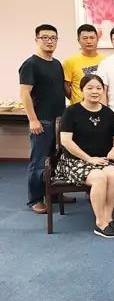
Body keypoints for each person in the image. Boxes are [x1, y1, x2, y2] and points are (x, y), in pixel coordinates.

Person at [55, 74, 114, 238]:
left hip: (101, 159)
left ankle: (108, 216)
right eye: (90, 88)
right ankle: (100, 223)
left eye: (98, 88)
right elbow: (66, 141)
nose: (95, 91)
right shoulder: (72, 111)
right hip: (74, 161)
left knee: (113, 174)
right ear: (82, 90)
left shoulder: (107, 112)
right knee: (99, 177)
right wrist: (88, 158)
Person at [18, 24, 66, 214]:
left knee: (56, 159)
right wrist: (33, 119)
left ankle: (53, 193)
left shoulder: (57, 64)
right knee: (39, 162)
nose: (49, 41)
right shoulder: (30, 64)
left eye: (53, 38)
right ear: (36, 40)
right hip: (42, 121)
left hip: (59, 120)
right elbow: (24, 93)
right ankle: (35, 199)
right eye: (45, 37)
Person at [63, 24, 105, 104]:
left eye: (92, 38)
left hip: (100, 106)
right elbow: (66, 86)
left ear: (97, 39)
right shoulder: (70, 61)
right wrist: (75, 99)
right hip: (78, 107)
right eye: (85, 38)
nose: (89, 41)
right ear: (78, 40)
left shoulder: (105, 61)